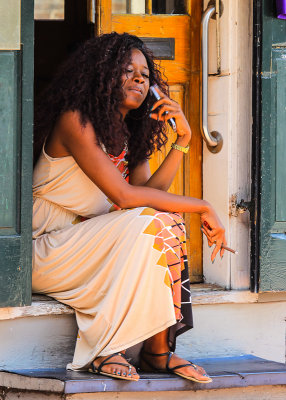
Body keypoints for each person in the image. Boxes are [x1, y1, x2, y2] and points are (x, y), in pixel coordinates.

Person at [32, 32, 226, 383]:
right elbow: (126, 198)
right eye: (127, 70)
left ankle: (158, 349)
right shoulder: (76, 121)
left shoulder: (128, 133)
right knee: (155, 218)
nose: (139, 78)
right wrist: (202, 205)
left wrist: (182, 141)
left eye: (145, 75)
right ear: (101, 74)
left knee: (164, 220)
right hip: (44, 250)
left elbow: (148, 194)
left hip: (89, 250)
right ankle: (108, 347)